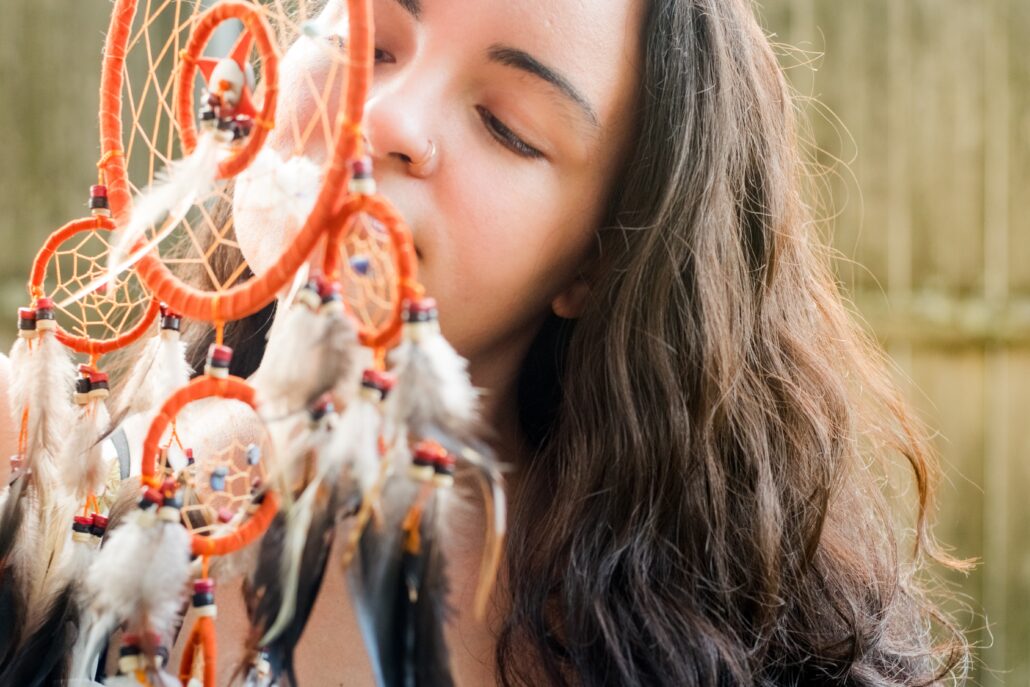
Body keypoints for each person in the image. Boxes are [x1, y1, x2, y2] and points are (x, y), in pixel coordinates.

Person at [0, 0, 970, 684]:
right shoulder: (40, 513)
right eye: (375, 42)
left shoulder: (721, 639)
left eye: (506, 127)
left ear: (592, 263)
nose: (389, 119)